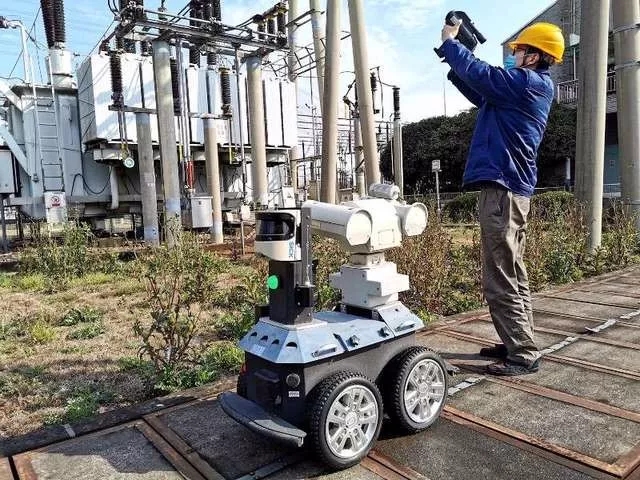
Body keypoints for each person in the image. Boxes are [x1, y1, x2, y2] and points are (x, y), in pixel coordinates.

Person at [437, 21, 565, 375]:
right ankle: (518, 341)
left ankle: (522, 354)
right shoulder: (523, 89)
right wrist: (455, 60)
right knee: (513, 272)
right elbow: (480, 88)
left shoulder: (528, 84)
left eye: (519, 51)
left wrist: (451, 44)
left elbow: (484, 76)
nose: (514, 56)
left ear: (534, 56)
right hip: (511, 190)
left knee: (500, 277)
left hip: (503, 191)